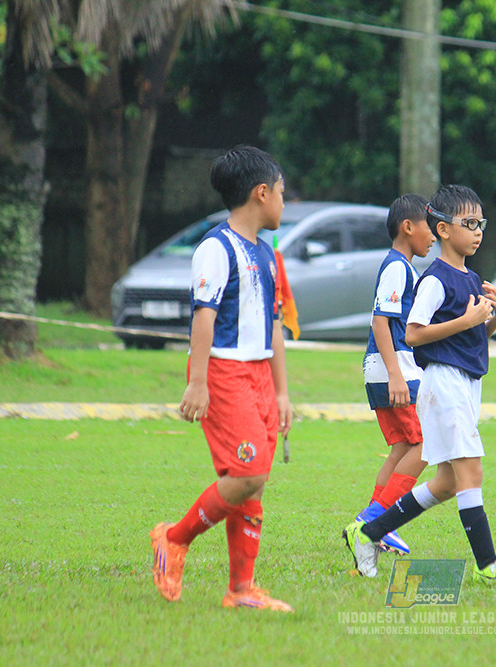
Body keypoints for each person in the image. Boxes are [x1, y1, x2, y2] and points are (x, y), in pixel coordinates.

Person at [343, 184, 496, 582]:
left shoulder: (472, 278)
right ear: (444, 230)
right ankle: (489, 565)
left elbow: (471, 341)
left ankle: (369, 531)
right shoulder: (434, 278)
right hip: (443, 383)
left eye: (481, 223)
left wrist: (495, 317)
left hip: (467, 384)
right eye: (469, 223)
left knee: (449, 482)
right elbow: (413, 333)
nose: (478, 231)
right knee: (471, 474)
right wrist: (468, 320)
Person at [150, 145, 294, 611]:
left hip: (258, 375)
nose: (283, 204)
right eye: (281, 194)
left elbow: (274, 326)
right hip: (225, 371)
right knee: (248, 472)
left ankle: (241, 589)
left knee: (253, 480)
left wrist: (282, 391)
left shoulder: (268, 253)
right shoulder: (216, 247)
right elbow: (203, 317)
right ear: (260, 193)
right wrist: (198, 380)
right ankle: (173, 538)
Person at [354, 194, 435, 555]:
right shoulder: (397, 267)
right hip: (394, 369)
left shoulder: (405, 267)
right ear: (408, 228)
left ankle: (367, 522)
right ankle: (378, 521)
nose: (433, 236)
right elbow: (380, 321)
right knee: (425, 443)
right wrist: (396, 376)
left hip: (389, 369)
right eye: (428, 228)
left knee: (404, 446)